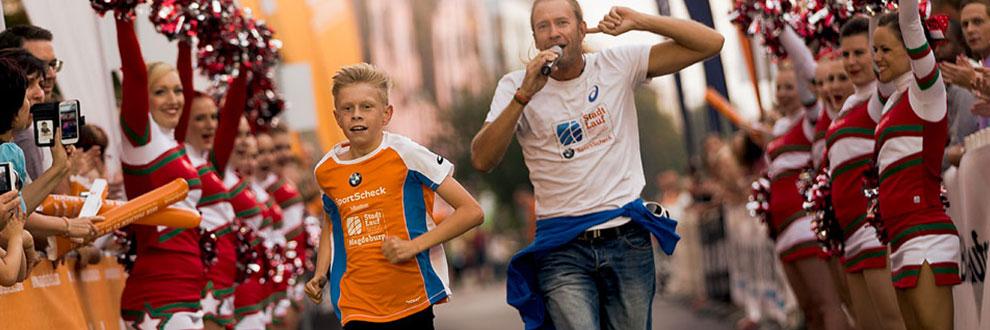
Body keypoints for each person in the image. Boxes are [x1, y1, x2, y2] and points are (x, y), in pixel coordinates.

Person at [470, 1, 722, 328]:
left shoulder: (616, 64)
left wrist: (641, 20)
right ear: (534, 38)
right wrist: (523, 95)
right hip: (561, 248)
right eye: (543, 26)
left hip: (626, 237)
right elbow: (481, 159)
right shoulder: (515, 86)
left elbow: (712, 43)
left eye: (561, 22)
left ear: (581, 27)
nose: (553, 33)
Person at [306, 63, 484, 329]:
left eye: (366, 107)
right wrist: (320, 273)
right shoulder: (326, 169)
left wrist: (414, 246)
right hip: (356, 303)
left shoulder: (407, 154)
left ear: (386, 114)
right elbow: (332, 223)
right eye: (347, 108)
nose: (356, 115)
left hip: (410, 295)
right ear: (337, 116)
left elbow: (472, 212)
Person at [113, 16, 208, 329]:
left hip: (187, 286)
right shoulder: (141, 138)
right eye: (161, 92)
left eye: (177, 91)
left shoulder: (173, 141)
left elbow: (188, 81)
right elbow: (135, 74)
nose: (174, 99)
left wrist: (187, 29)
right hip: (160, 292)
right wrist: (123, 15)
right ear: (144, 99)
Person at [871, 1, 961, 328]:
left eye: (885, 49)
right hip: (900, 239)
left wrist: (906, 16)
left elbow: (909, 20)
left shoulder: (927, 90)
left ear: (909, 48)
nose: (876, 57)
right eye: (874, 49)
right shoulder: (892, 100)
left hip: (926, 235)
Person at [826, 16, 907, 330]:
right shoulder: (846, 105)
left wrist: (871, 14)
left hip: (874, 231)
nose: (851, 61)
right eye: (845, 54)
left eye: (860, 52)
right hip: (850, 238)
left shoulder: (879, 99)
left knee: (894, 323)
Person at [174, 39, 251, 329]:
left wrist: (244, 61)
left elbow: (231, 116)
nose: (209, 124)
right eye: (200, 118)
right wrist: (184, 42)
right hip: (205, 277)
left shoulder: (211, 161)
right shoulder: (179, 156)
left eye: (212, 117)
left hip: (227, 276)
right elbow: (184, 82)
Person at [0, 25, 62, 181]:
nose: (51, 74)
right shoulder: (24, 138)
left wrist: (63, 166)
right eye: (29, 82)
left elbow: (22, 202)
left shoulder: (21, 137)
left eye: (53, 64)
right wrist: (59, 169)